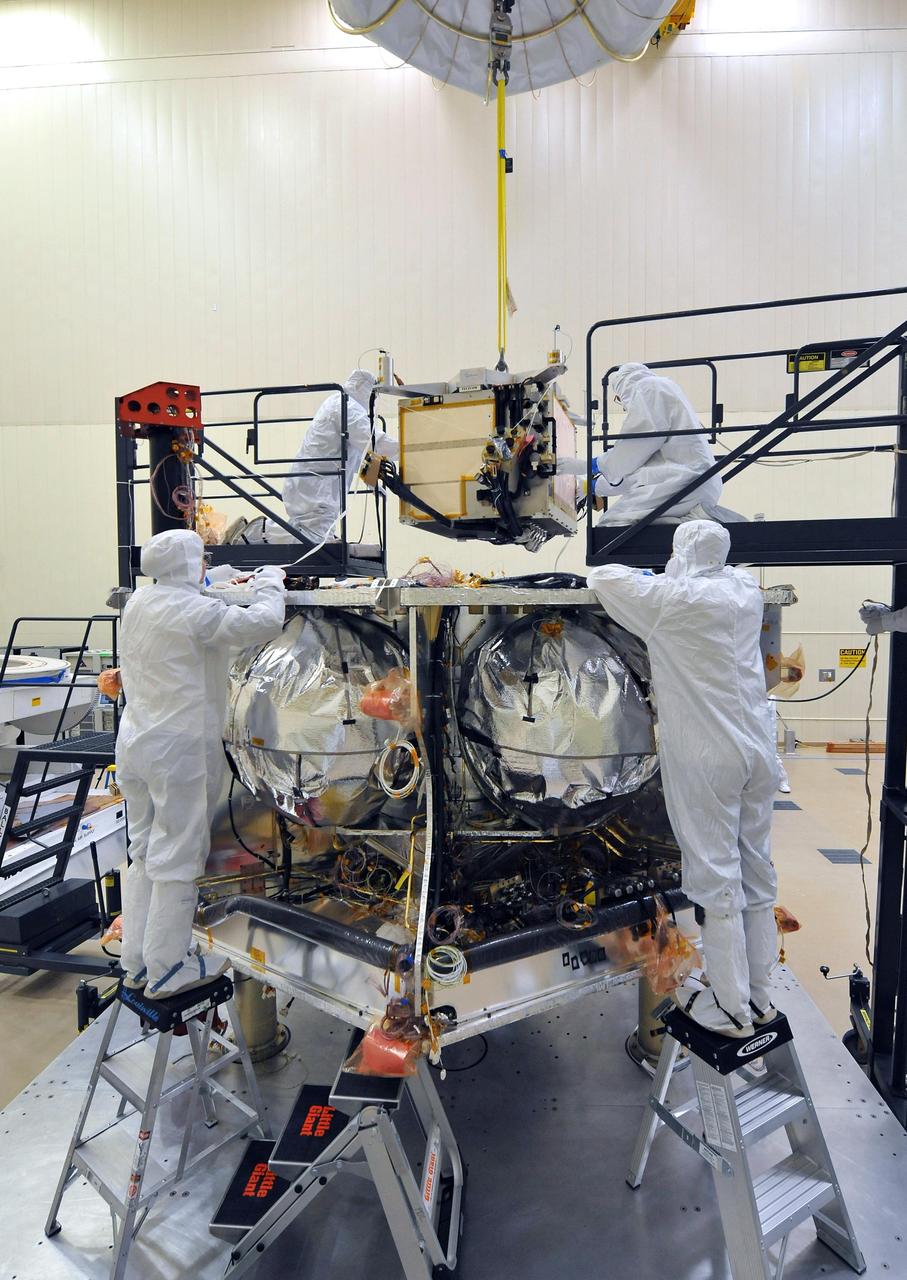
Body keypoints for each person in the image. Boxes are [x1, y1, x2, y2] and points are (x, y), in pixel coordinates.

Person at [588, 521, 779, 1038]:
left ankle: (732, 1009)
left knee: (718, 883)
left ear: (680, 555)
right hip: (760, 752)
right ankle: (760, 997)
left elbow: (603, 578)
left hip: (709, 757)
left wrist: (666, 572)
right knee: (756, 875)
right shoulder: (744, 590)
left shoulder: (674, 599)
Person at [117, 529, 286, 999]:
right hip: (178, 751)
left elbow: (200, 593)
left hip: (136, 743)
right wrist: (272, 580)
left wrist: (229, 580)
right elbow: (266, 622)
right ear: (190, 564)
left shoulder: (141, 603)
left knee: (144, 850)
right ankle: (168, 969)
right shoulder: (196, 613)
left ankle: (136, 960)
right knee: (177, 855)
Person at [560, 363, 743, 526]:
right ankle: (698, 519)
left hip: (685, 483)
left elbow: (628, 455)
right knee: (630, 521)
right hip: (694, 483)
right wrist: (589, 486)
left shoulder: (647, 389)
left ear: (623, 387)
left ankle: (700, 521)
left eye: (619, 398)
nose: (623, 406)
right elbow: (635, 477)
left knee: (612, 526)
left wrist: (589, 465)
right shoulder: (663, 390)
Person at [230, 370, 399, 546]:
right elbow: (373, 442)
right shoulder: (345, 405)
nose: (374, 401)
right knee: (313, 539)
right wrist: (411, 447)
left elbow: (355, 456)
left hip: (317, 485)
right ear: (363, 389)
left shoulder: (343, 405)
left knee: (313, 530)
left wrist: (371, 480)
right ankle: (255, 531)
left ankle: (262, 531)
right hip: (315, 486)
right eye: (373, 394)